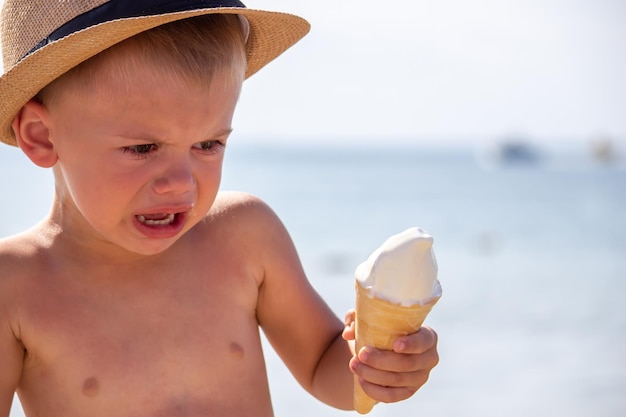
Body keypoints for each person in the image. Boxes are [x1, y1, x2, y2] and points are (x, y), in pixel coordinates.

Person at [0, 1, 439, 416]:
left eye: (208, 144)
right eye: (143, 148)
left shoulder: (245, 237)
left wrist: (377, 365)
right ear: (40, 136)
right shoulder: (15, 287)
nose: (182, 183)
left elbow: (324, 366)